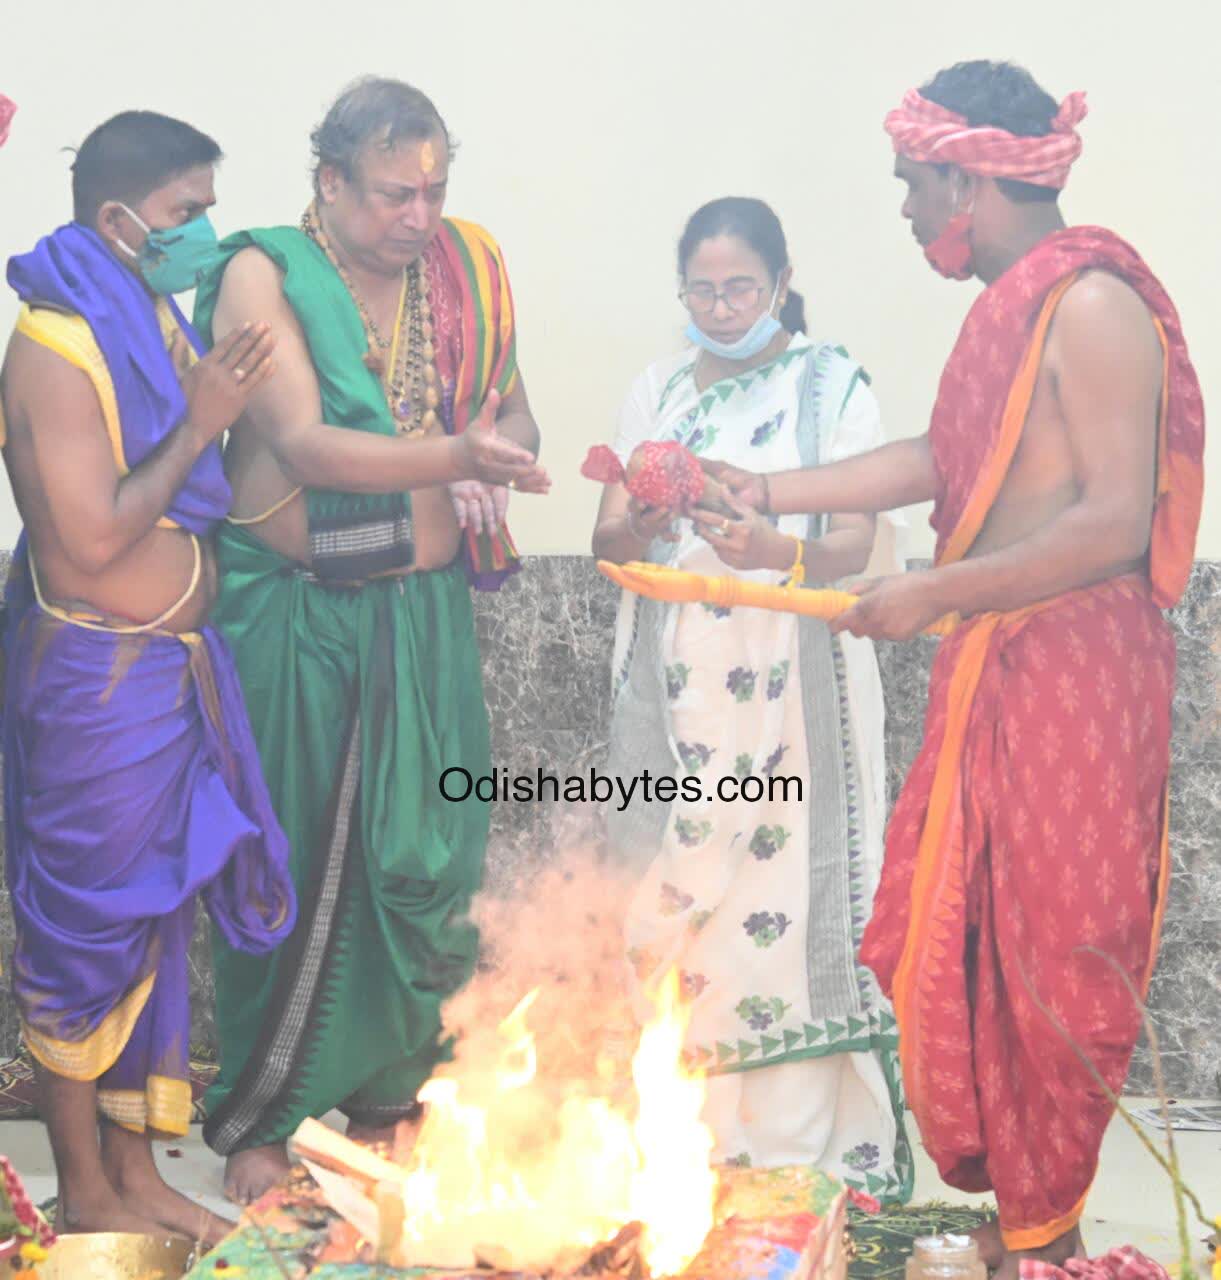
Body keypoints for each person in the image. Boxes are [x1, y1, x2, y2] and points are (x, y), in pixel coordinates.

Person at [705, 63, 1204, 1277]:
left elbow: (1113, 524)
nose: (906, 209)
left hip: (1073, 671)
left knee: (1053, 960)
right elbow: (945, 457)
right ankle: (1023, 1223)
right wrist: (766, 487)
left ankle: (1050, 1234)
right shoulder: (1011, 312)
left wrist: (934, 591)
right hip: (998, 659)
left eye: (913, 184)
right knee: (971, 946)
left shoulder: (1092, 306)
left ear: (970, 180)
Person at [191, 77, 549, 1203]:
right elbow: (303, 443)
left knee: (430, 855)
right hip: (297, 614)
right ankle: (262, 1121)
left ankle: (392, 1105)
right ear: (331, 182)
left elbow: (514, 411)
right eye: (396, 194)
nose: (419, 216)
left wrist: (495, 448)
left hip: (421, 613)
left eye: (435, 191)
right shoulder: (261, 273)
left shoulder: (467, 268)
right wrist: (458, 458)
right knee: (288, 857)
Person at [0, 111, 297, 1243]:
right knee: (86, 937)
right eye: (185, 213)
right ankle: (86, 1192)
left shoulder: (146, 312)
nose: (201, 235)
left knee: (157, 925)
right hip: (97, 685)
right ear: (119, 217)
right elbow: (90, 540)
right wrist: (202, 420)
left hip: (167, 680)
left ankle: (138, 1176)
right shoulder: (55, 343)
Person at [592, 197, 911, 1199]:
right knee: (678, 890)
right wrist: (646, 521)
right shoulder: (656, 389)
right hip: (681, 682)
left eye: (740, 288)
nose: (721, 308)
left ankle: (795, 1140)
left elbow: (855, 542)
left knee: (783, 895)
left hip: (796, 684)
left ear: (781, 283)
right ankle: (682, 1134)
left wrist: (776, 549)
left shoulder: (832, 386)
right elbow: (608, 537)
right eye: (702, 290)